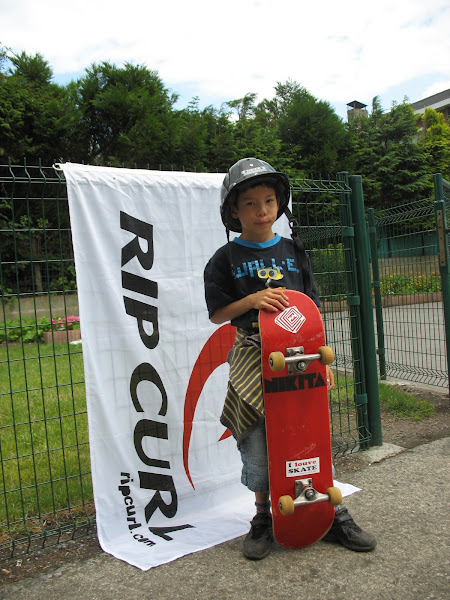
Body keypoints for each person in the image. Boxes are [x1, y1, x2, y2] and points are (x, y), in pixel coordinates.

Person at [204, 157, 376, 560]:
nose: (262, 210)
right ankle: (264, 516)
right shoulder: (224, 259)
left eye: (269, 200)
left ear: (280, 204)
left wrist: (323, 361)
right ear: (233, 210)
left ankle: (330, 512)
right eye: (250, 203)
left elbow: (311, 309)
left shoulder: (293, 250)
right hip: (252, 357)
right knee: (261, 443)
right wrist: (251, 299)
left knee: (308, 434)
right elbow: (217, 314)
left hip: (302, 356)